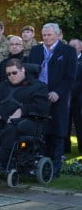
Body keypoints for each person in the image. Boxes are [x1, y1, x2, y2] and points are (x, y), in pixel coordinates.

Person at [27, 23, 77, 178]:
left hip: (58, 98)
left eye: (49, 35)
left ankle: (55, 168)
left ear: (57, 34)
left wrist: (58, 93)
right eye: (44, 35)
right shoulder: (35, 50)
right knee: (39, 131)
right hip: (39, 98)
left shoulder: (68, 51)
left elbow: (70, 77)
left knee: (57, 132)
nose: (47, 38)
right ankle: (38, 165)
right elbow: (29, 74)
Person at [0, 59, 50, 171]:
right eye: (8, 74)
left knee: (12, 127)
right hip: (2, 120)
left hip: (29, 121)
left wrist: (23, 110)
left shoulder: (38, 87)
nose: (11, 76)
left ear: (23, 70)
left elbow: (42, 107)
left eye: (14, 73)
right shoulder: (3, 85)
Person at [65, 38, 82, 154]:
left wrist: (72, 92)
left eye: (74, 46)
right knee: (65, 123)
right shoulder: (65, 60)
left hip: (79, 99)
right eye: (69, 46)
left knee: (79, 124)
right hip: (65, 98)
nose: (71, 48)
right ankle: (65, 148)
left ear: (80, 47)